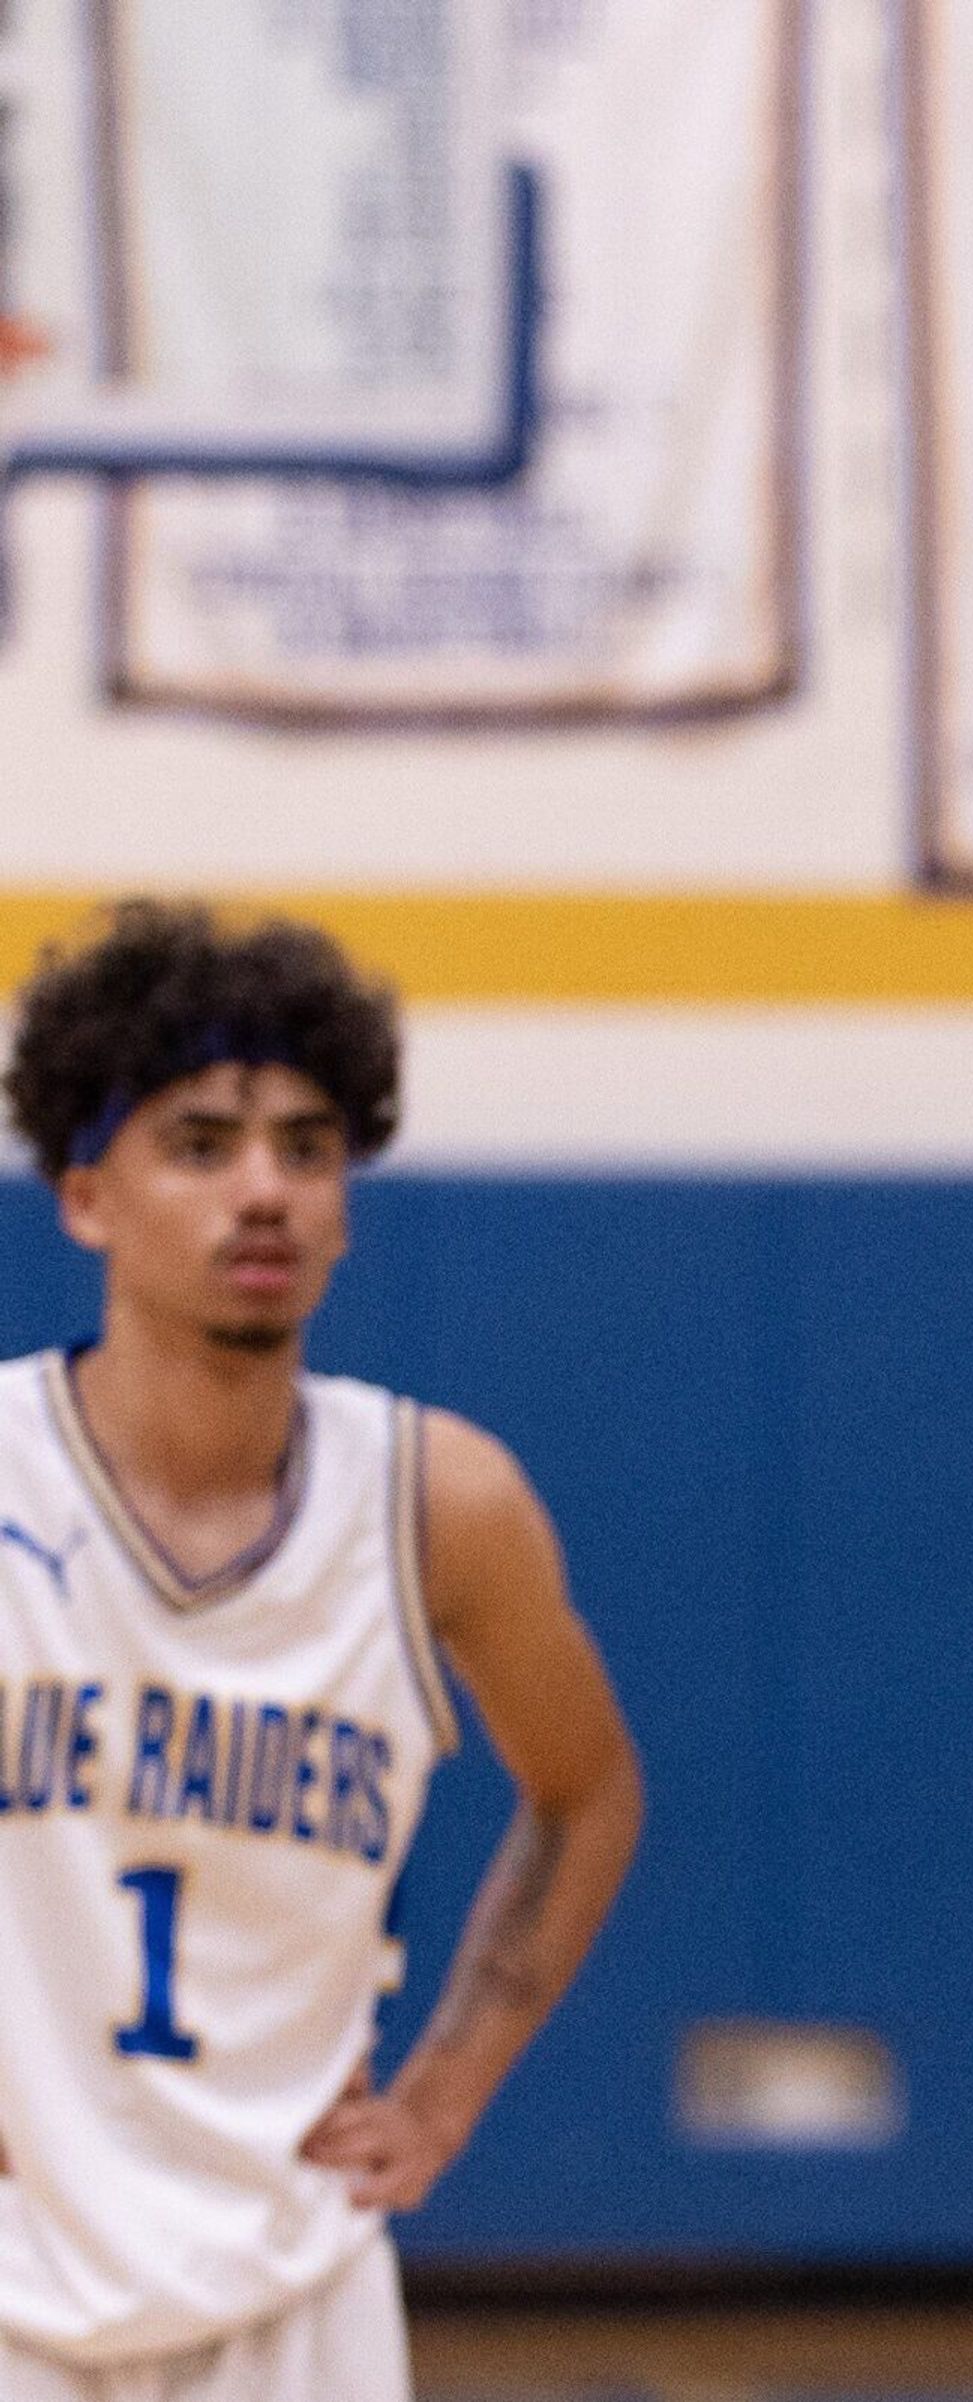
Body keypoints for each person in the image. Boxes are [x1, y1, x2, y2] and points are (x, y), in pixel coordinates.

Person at [0, 901, 645, 2402]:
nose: (265, 1190)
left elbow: (590, 1791)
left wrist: (445, 2090)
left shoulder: (440, 1505)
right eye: (203, 1142)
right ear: (87, 1195)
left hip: (296, 2287)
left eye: (305, 1145)